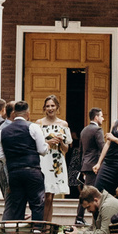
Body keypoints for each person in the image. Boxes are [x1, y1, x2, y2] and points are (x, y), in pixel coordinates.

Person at [0, 100, 46, 221]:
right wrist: (47, 146)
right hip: (32, 171)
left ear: (14, 114)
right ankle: (36, 232)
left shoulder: (3, 131)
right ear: (28, 114)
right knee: (37, 204)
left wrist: (12, 160)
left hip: (14, 172)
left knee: (17, 206)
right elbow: (42, 150)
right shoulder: (33, 127)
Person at [34, 95, 75, 224]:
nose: (50, 108)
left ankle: (47, 226)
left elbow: (66, 148)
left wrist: (61, 142)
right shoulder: (39, 123)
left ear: (57, 107)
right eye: (47, 106)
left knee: (51, 197)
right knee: (45, 195)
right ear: (44, 108)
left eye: (52, 106)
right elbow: (36, 145)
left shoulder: (63, 124)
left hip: (57, 161)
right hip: (44, 159)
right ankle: (41, 224)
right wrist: (49, 141)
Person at [76, 107, 107, 191]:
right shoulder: (98, 130)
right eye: (101, 116)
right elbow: (103, 148)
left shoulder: (83, 130)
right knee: (89, 194)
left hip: (86, 165)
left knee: (89, 192)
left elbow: (80, 151)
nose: (103, 119)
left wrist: (82, 167)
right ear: (96, 117)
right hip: (94, 165)